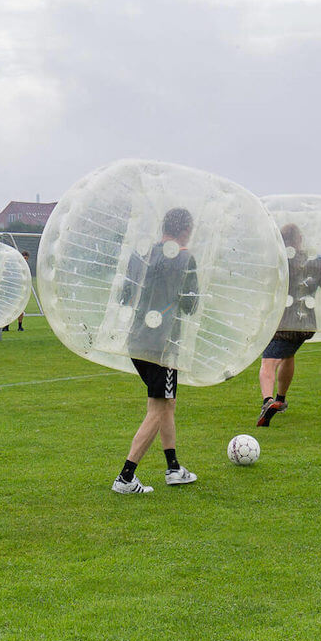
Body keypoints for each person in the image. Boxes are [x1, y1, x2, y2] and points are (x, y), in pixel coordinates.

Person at [111, 208, 201, 494]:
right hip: (163, 344)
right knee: (159, 407)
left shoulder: (142, 254)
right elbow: (190, 305)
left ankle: (173, 467)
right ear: (186, 230)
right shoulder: (186, 258)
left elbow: (125, 294)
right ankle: (125, 477)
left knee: (164, 402)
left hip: (136, 339)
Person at [257, 223, 321, 427]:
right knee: (288, 355)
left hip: (283, 322)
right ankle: (281, 399)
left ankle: (267, 401)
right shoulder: (314, 261)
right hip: (305, 324)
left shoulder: (280, 261)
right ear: (299, 240)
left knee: (268, 362)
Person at [3, 250, 31, 332]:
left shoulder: (26, 269)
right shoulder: (14, 266)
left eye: (26, 259)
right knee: (8, 309)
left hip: (20, 291)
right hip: (11, 290)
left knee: (20, 309)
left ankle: (20, 326)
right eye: (24, 258)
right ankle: (6, 326)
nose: (25, 260)